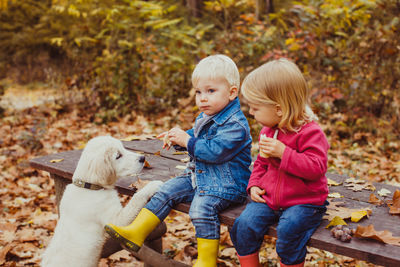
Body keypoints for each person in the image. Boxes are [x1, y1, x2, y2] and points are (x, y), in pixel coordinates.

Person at [104, 54, 252, 267]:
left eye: (211, 91)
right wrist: (177, 139)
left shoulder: (236, 125)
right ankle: (136, 231)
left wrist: (188, 141)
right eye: (198, 92)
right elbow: (196, 135)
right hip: (200, 178)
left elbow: (214, 151)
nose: (202, 98)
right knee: (166, 191)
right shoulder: (207, 116)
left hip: (227, 186)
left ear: (231, 92)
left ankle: (207, 261)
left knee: (201, 208)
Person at [229, 58, 329, 267]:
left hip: (305, 201)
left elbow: (316, 168)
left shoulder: (311, 133)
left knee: (289, 230)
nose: (251, 112)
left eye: (255, 108)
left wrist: (285, 153)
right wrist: (254, 184)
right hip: (271, 198)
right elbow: (261, 164)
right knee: (243, 226)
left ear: (279, 109)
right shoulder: (269, 130)